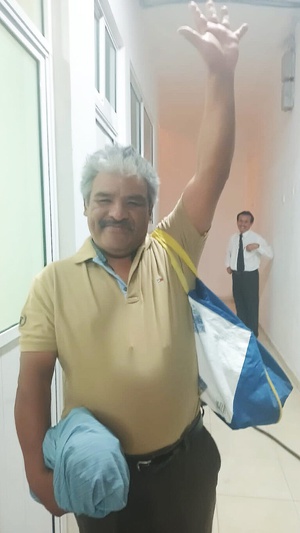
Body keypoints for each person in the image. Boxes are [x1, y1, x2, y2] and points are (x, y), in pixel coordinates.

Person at [14, 2, 248, 532]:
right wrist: (36, 472)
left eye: (133, 201)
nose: (117, 212)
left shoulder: (172, 250)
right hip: (102, 478)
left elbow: (211, 169)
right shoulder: (52, 283)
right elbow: (31, 388)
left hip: (186, 465)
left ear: (150, 211)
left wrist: (221, 75)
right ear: (85, 206)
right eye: (104, 199)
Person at [226, 210, 273, 337]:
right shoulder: (233, 238)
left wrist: (258, 246)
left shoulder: (256, 238)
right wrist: (228, 265)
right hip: (236, 276)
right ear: (237, 222)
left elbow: (270, 253)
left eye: (246, 222)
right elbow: (229, 253)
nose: (242, 224)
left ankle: (253, 335)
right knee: (239, 304)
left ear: (251, 223)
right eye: (240, 221)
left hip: (250, 277)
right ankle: (242, 332)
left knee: (251, 305)